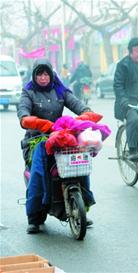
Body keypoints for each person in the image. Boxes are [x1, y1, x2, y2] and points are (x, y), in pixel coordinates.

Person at [17, 59, 102, 234]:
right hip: (37, 139)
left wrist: (87, 113)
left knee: (80, 161)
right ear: (34, 76)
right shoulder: (28, 92)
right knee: (39, 173)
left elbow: (76, 104)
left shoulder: (60, 89)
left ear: (51, 74)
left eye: (46, 74)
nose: (43, 77)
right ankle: (34, 217)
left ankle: (82, 206)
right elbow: (23, 112)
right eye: (39, 74)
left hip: (61, 136)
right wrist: (32, 121)